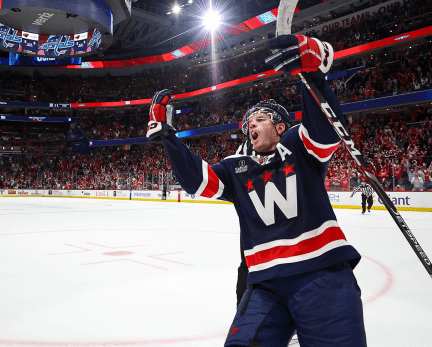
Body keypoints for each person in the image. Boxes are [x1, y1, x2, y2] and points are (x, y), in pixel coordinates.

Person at [147, 34, 366, 347]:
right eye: (248, 122)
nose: (251, 126)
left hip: (321, 272)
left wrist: (313, 77)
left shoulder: (296, 145)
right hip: (264, 285)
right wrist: (168, 137)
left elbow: (325, 132)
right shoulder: (236, 167)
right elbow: (198, 181)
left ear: (280, 126)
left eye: (259, 119)